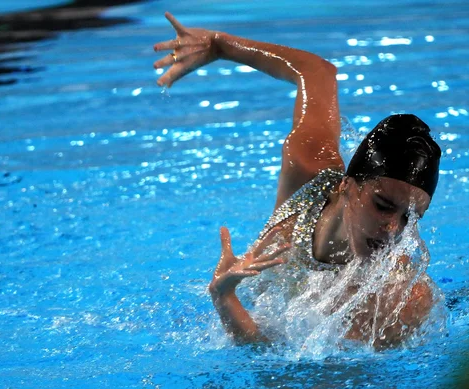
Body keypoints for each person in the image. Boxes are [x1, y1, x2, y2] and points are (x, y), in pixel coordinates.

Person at [153, 12, 442, 348]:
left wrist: (226, 301)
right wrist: (219, 45)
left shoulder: (398, 301)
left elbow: (283, 369)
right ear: (346, 187)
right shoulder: (307, 170)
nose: (395, 229)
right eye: (383, 205)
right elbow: (317, 72)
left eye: (410, 218)